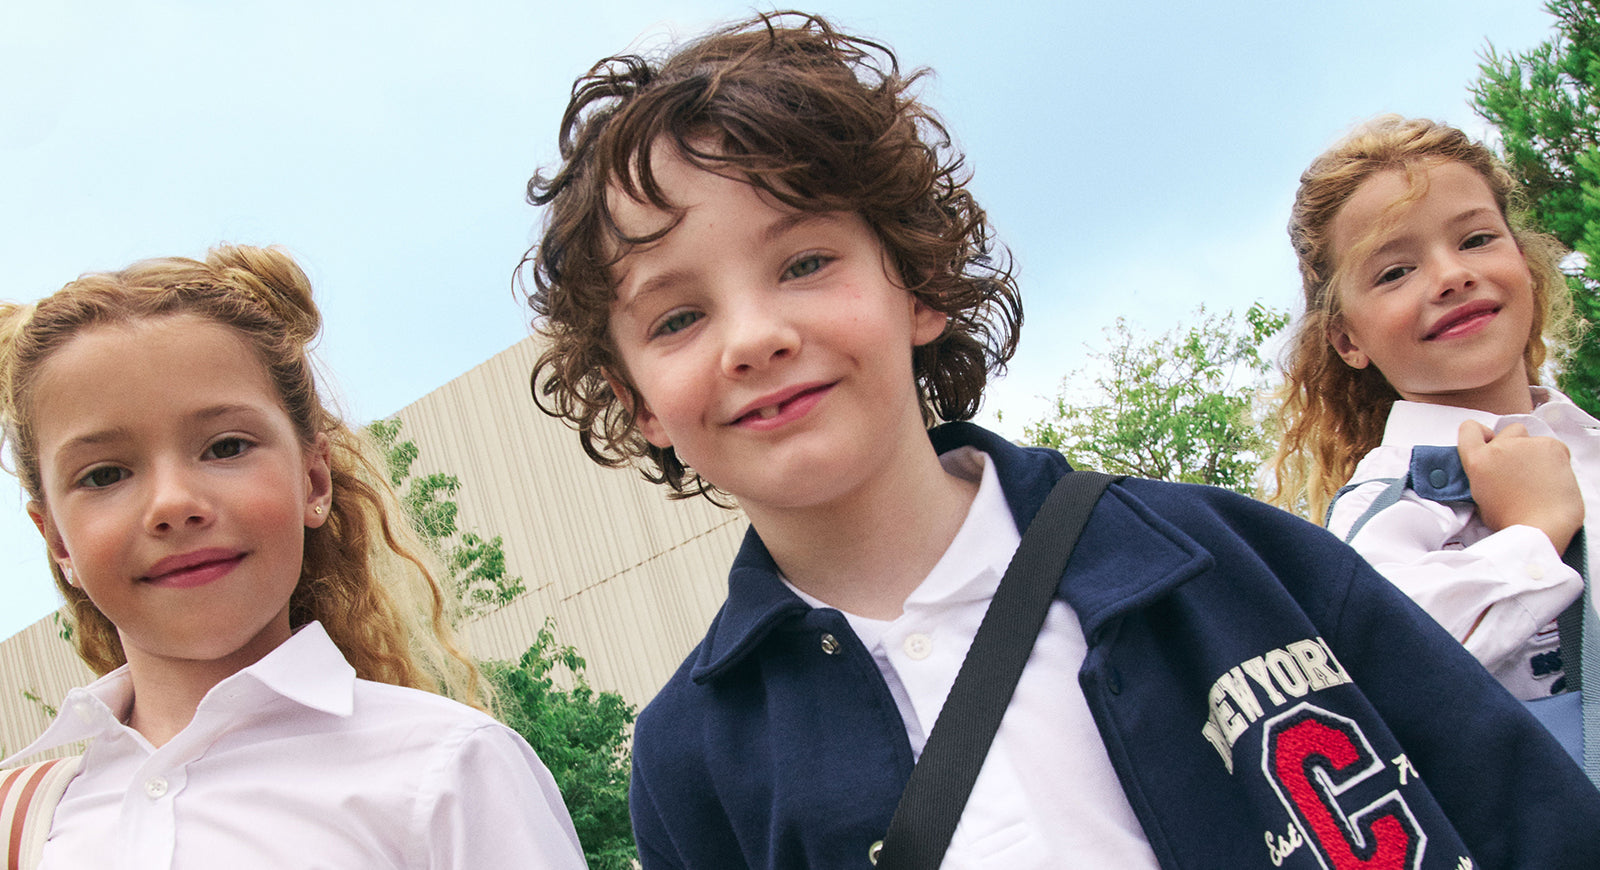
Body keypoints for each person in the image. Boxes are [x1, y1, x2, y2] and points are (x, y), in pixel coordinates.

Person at [523, 14, 1600, 869]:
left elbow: (1531, 821)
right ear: (639, 403)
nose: (755, 337)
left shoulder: (1228, 557)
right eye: (677, 317)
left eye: (804, 263)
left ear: (920, 284)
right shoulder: (687, 759)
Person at [0, 245, 587, 868]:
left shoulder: (448, 767)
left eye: (226, 446)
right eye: (105, 474)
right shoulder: (24, 820)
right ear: (56, 539)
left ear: (314, 481)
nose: (173, 504)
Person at [1269, 116, 1596, 705]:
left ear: (1523, 260)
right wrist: (1534, 533)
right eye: (1395, 272)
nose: (1451, 276)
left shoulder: (1588, 442)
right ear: (1347, 340)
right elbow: (1380, 664)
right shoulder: (1388, 499)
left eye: (1476, 239)